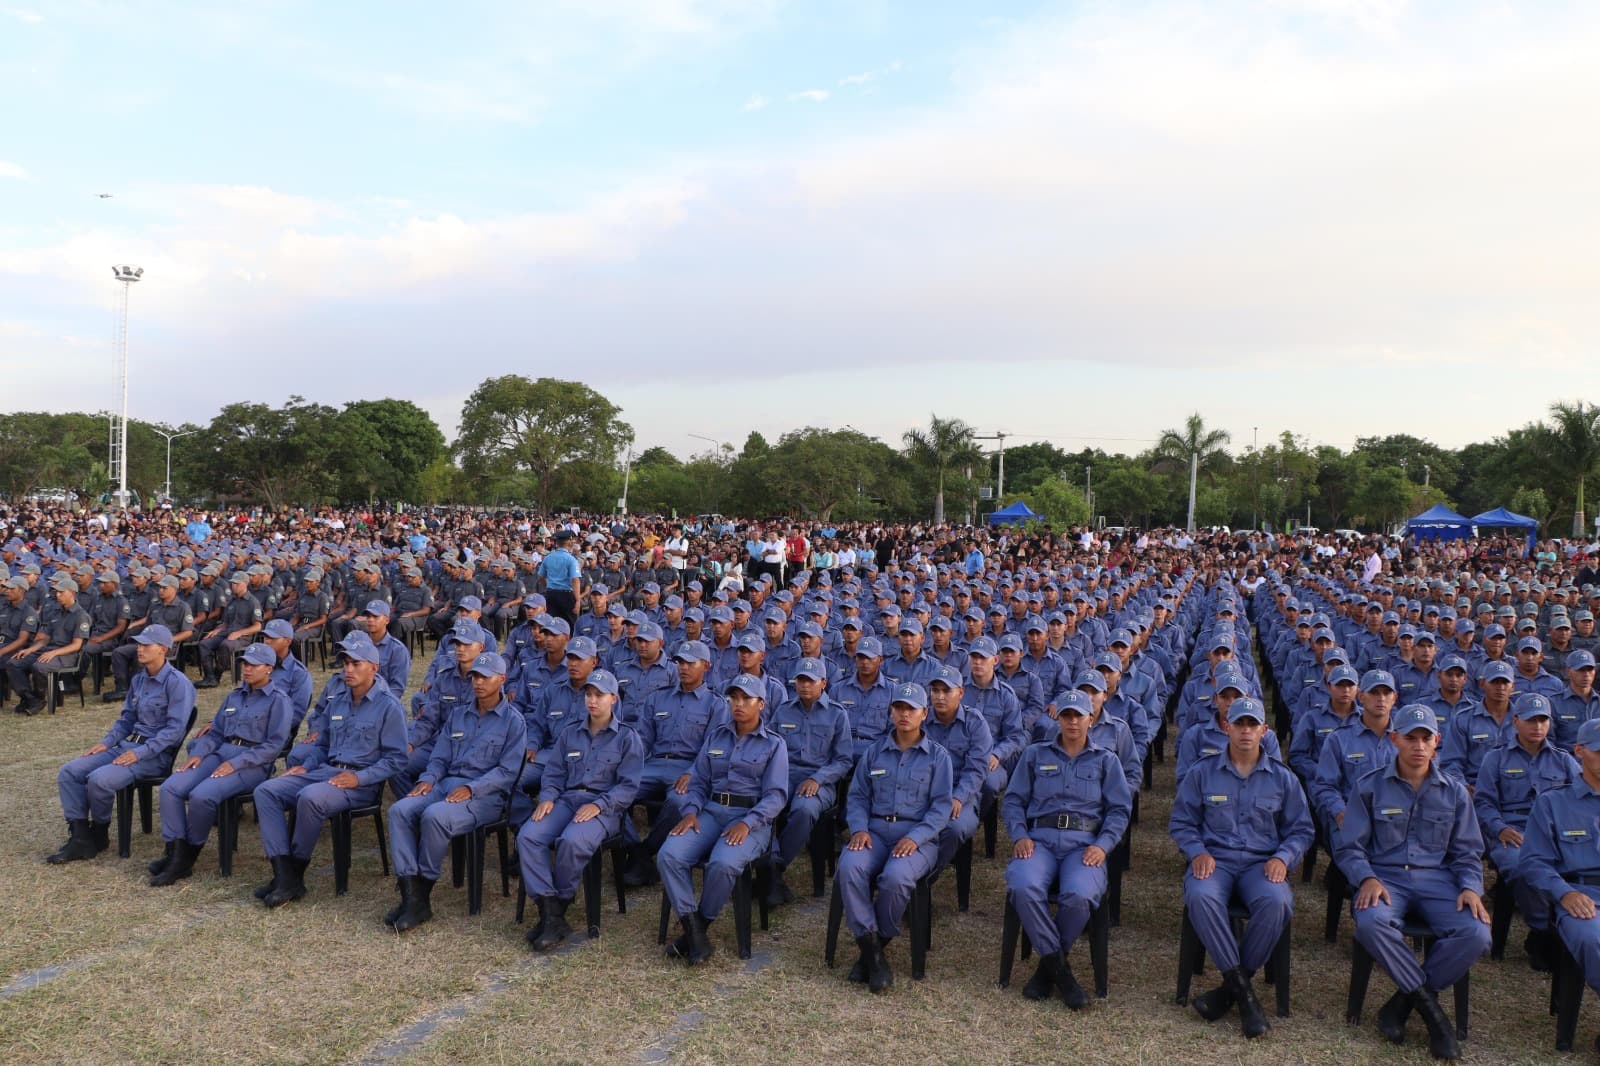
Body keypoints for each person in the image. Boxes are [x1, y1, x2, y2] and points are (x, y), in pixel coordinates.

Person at [1335, 703, 1491, 1062]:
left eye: (1426, 738)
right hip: (1387, 878)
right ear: (1394, 739)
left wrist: (1471, 887)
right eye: (1410, 738)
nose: (1419, 745)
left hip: (1439, 880)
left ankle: (1403, 1002)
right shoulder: (1369, 786)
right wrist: (1367, 877)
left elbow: (1468, 852)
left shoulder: (1453, 792)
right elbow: (1349, 847)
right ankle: (1434, 1016)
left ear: (1437, 741)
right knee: (1372, 926)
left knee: (1477, 933)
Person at [1169, 696, 1314, 1038]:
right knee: (1201, 896)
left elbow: (1302, 829)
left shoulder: (1283, 778)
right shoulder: (1202, 772)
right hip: (1215, 860)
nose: (1246, 731)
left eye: (1253, 725)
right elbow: (1182, 822)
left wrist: (1283, 857)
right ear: (1226, 728)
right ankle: (1244, 994)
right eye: (1239, 724)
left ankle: (1231, 988)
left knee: (1277, 902)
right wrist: (1196, 851)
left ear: (1265, 731)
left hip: (1261, 864)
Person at [1002, 685, 1132, 1010]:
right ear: (1057, 718)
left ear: (1091, 718)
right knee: (1022, 885)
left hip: (1084, 844)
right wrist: (1019, 835)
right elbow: (1014, 800)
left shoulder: (1106, 761)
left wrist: (1103, 846)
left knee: (1080, 895)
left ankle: (1047, 970)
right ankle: (1060, 970)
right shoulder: (1035, 754)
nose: (1072, 722)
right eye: (1066, 715)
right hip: (1040, 840)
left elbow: (1118, 811)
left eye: (1079, 715)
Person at [251, 639, 407, 908]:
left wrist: (360, 778)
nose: (348, 669)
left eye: (356, 664)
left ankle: (295, 872)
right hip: (325, 772)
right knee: (267, 791)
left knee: (310, 797)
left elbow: (396, 759)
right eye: (346, 664)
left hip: (360, 783)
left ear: (374, 667)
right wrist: (307, 766)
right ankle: (283, 874)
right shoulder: (338, 702)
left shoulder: (389, 706)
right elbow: (323, 745)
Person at [384, 651, 526, 932]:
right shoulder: (460, 714)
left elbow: (507, 773)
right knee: (399, 810)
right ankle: (410, 892)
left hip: (485, 796)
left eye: (486, 677)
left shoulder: (514, 722)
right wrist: (428, 778)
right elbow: (440, 756)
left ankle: (422, 892)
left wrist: (471, 788)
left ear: (502, 679)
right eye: (475, 676)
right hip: (445, 783)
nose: (478, 682)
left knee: (435, 816)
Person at [657, 673, 789, 965]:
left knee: (723, 863)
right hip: (711, 812)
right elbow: (700, 781)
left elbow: (776, 796)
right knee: (669, 854)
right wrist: (690, 810)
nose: (738, 705)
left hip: (749, 818)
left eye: (746, 699)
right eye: (734, 698)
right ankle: (693, 930)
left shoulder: (774, 745)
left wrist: (748, 822)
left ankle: (700, 924)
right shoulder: (716, 736)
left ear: (761, 704)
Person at [836, 682, 953, 992]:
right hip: (874, 831)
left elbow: (941, 808)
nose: (904, 714)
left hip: (917, 838)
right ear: (891, 712)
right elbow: (858, 796)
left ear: (924, 714)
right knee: (849, 867)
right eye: (899, 708)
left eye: (911, 709)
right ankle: (872, 949)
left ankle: (877, 942)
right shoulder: (875, 751)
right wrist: (859, 829)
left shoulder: (938, 757)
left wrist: (916, 837)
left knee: (897, 878)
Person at [46, 624, 195, 864]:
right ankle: (81, 836)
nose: (140, 649)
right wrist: (106, 743)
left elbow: (174, 731)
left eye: (146, 645)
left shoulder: (178, 683)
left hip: (152, 756)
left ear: (164, 649)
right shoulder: (139, 680)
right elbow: (126, 720)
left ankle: (100, 830)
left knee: (99, 779)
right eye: (139, 644)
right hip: (126, 745)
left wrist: (140, 753)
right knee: (70, 771)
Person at [517, 669, 642, 952]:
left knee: (572, 841)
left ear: (614, 698)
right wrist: (548, 796)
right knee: (529, 836)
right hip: (566, 799)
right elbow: (553, 772)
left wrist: (599, 805)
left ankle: (558, 907)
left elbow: (628, 787)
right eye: (588, 694)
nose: (592, 700)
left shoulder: (627, 737)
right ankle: (550, 910)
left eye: (599, 695)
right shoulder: (570, 732)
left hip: (604, 807)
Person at [150, 642, 291, 886]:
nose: (247, 669)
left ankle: (188, 856)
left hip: (252, 764)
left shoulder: (279, 701)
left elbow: (273, 746)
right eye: (245, 664)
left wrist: (237, 763)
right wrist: (200, 753)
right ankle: (175, 851)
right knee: (171, 788)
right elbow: (216, 732)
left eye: (253, 665)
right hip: (220, 752)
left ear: (269, 668)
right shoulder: (234, 695)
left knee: (202, 795)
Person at [1470, 692, 1580, 970]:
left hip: (1554, 833)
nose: (1538, 727)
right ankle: (1544, 930)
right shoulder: (1495, 759)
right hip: (1512, 833)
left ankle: (1552, 931)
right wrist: (1500, 828)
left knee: (1578, 866)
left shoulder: (1563, 760)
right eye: (1531, 720)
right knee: (1523, 868)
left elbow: (1580, 797)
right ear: (1515, 721)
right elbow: (1483, 803)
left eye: (1543, 720)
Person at [1519, 718, 1600, 1055]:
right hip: (1581, 897)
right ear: (1579, 751)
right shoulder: (1554, 802)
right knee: (1594, 940)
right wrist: (1564, 893)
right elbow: (1533, 862)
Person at [767, 657, 853, 889]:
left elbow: (843, 760)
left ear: (823, 683)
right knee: (762, 804)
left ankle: (776, 868)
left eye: (810, 681)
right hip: (784, 774)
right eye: (801, 680)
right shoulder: (784, 710)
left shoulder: (837, 714)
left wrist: (818, 778)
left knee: (804, 810)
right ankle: (770, 861)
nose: (805, 685)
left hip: (819, 780)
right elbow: (770, 746)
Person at [923, 664, 995, 872]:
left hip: (962, 793)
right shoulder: (921, 719)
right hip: (924, 790)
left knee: (954, 829)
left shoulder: (975, 723)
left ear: (961, 693)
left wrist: (957, 797)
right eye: (935, 691)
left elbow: (976, 769)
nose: (940, 697)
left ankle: (927, 878)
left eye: (947, 691)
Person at [7, 575, 90, 715]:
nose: (57, 595)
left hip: (67, 655)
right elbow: (45, 638)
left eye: (61, 592)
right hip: (47, 649)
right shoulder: (55, 612)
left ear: (72, 593)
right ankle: (30, 698)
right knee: (14, 663)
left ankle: (39, 697)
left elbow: (76, 645)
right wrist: (30, 650)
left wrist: (54, 653)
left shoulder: (81, 615)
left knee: (39, 666)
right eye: (56, 592)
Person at [538, 530, 584, 631]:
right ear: (569, 542)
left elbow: (540, 577)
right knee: (570, 625)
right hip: (566, 595)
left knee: (552, 625)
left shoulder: (548, 558)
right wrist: (577, 600)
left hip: (551, 594)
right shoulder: (571, 559)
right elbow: (575, 580)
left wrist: (547, 587)